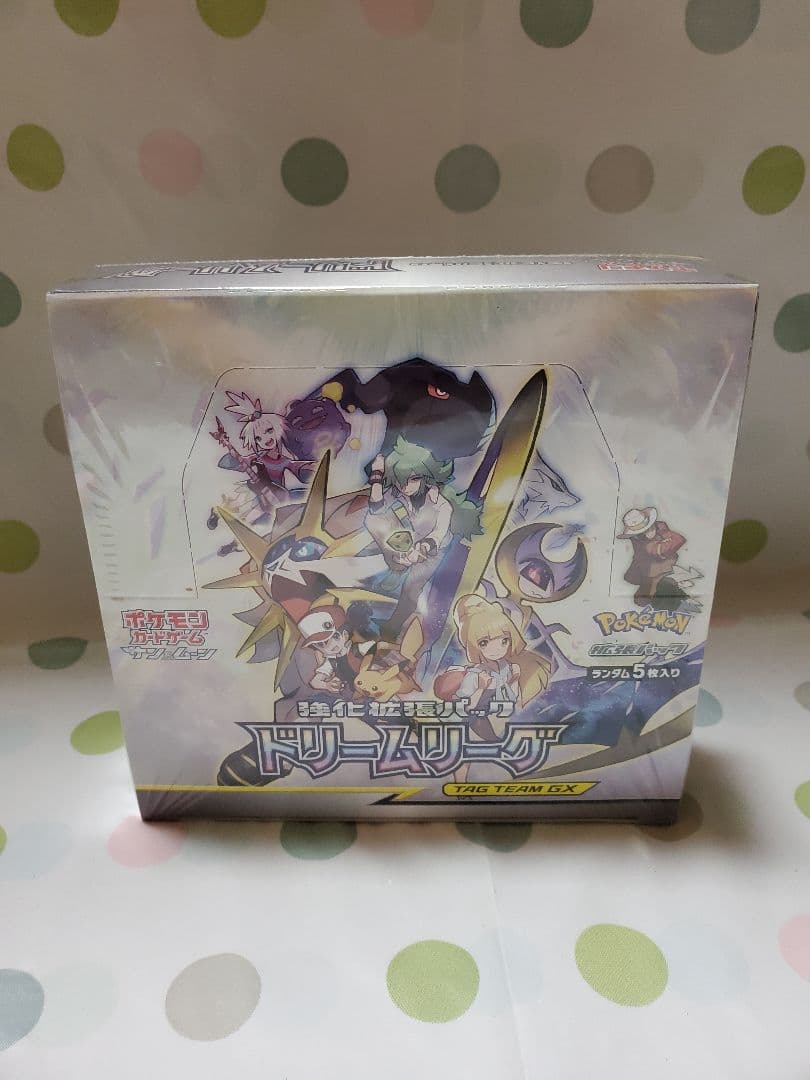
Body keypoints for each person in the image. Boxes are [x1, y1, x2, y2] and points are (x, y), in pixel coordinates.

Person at [364, 437, 481, 637]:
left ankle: (393, 626)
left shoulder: (440, 503)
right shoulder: (400, 492)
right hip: (410, 541)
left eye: (413, 479)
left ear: (425, 476)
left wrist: (424, 547)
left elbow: (439, 532)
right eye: (401, 480)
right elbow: (376, 509)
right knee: (373, 519)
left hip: (433, 549)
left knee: (412, 588)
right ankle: (397, 566)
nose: (405, 487)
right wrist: (377, 475)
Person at [618, 507, 686, 606]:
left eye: (647, 529)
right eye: (641, 532)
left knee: (651, 588)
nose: (647, 532)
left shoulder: (660, 527)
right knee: (642, 586)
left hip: (662, 566)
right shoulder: (640, 541)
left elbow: (679, 539)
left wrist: (665, 540)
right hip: (647, 566)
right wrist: (664, 542)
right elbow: (656, 550)